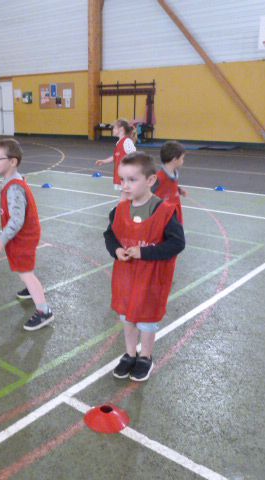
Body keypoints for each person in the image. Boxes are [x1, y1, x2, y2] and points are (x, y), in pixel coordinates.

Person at [104, 151, 185, 381]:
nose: (125, 185)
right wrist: (117, 250)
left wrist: (144, 252)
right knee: (127, 318)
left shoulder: (165, 211)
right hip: (126, 278)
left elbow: (177, 244)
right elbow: (110, 235)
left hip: (151, 280)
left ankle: (145, 357)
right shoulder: (119, 210)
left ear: (150, 181)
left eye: (132, 180)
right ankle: (130, 354)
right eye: (122, 180)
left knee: (146, 320)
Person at [0, 138, 54, 331]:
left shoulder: (14, 187)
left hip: (23, 236)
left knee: (25, 272)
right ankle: (30, 289)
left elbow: (17, 220)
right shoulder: (13, 180)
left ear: (13, 161)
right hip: (23, 235)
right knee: (22, 268)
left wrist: (2, 239)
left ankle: (44, 311)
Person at [95, 119, 137, 190]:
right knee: (124, 197)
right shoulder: (118, 143)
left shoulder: (127, 141)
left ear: (121, 129)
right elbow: (116, 156)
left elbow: (135, 156)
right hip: (120, 174)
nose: (113, 130)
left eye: (114, 128)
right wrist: (104, 161)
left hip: (126, 176)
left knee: (126, 197)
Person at [154, 140, 187, 223]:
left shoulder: (173, 174)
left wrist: (178, 190)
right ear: (175, 160)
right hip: (163, 218)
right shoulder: (159, 178)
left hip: (174, 213)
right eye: (182, 158)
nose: (183, 161)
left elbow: (171, 186)